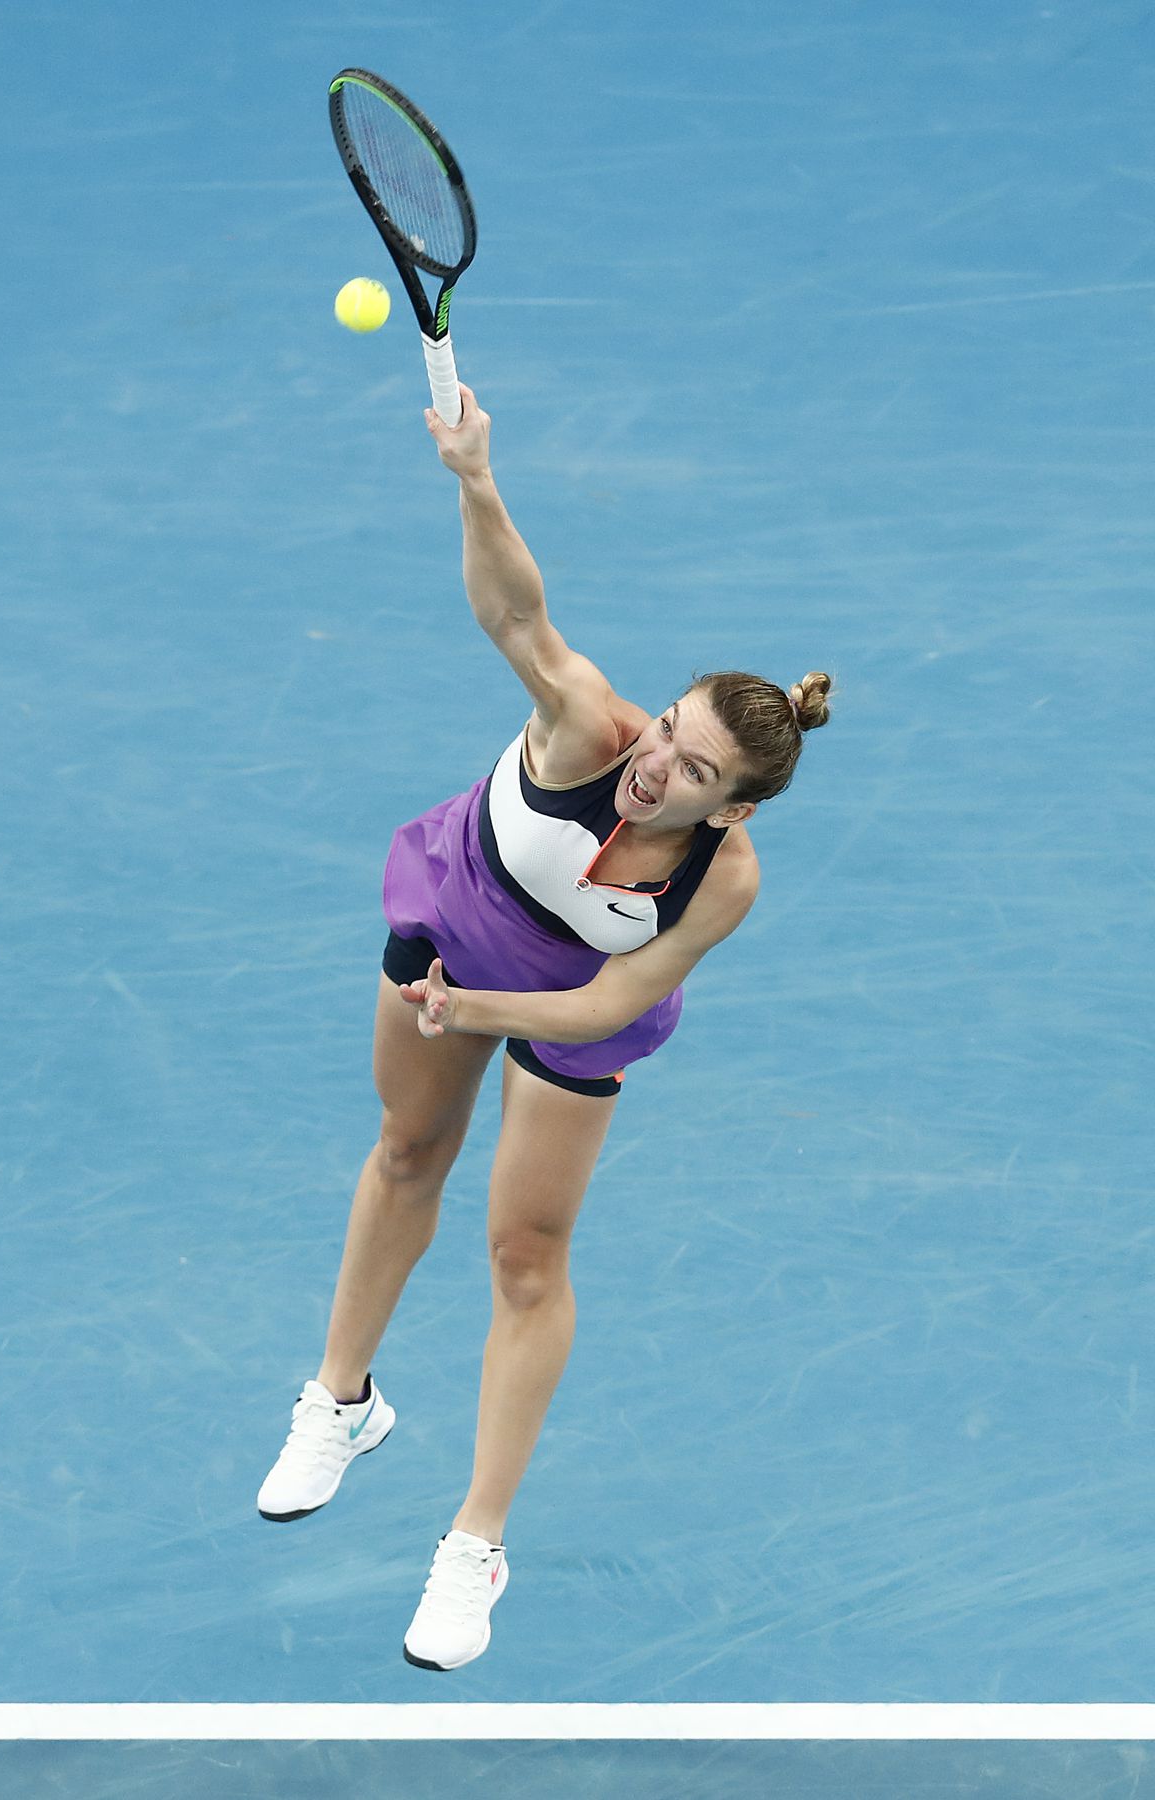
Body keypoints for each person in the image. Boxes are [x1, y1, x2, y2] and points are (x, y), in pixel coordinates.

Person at [256, 384, 832, 1671]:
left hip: (557, 1006)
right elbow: (517, 612)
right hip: (457, 915)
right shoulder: (588, 729)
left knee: (524, 1254)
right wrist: (474, 478)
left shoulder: (720, 882)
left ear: (732, 812)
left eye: (691, 772)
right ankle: (341, 1402)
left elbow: (609, 1002)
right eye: (669, 731)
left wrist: (474, 1010)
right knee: (409, 1151)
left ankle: (475, 1544)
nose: (656, 764)